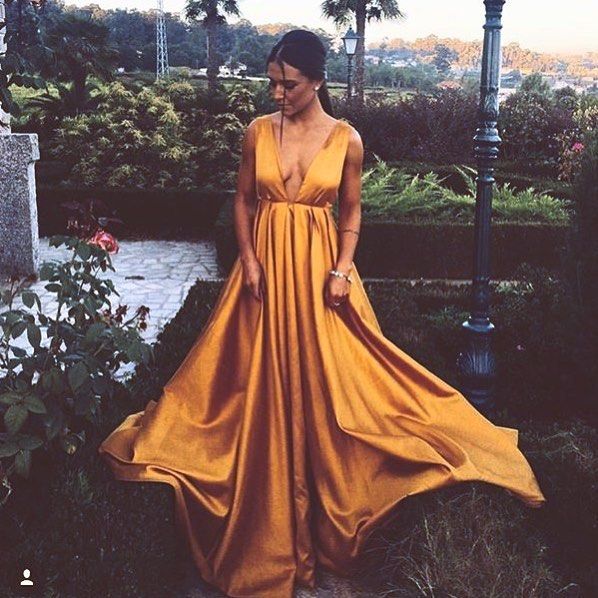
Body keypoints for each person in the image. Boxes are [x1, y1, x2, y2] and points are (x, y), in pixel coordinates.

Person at [98, 29, 546, 598]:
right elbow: (243, 200)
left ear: (316, 81)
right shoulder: (257, 131)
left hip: (318, 276)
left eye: (288, 84)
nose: (277, 93)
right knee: (245, 385)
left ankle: (332, 493)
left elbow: (351, 211)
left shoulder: (346, 139)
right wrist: (249, 260)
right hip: (263, 277)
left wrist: (341, 270)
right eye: (273, 83)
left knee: (335, 387)